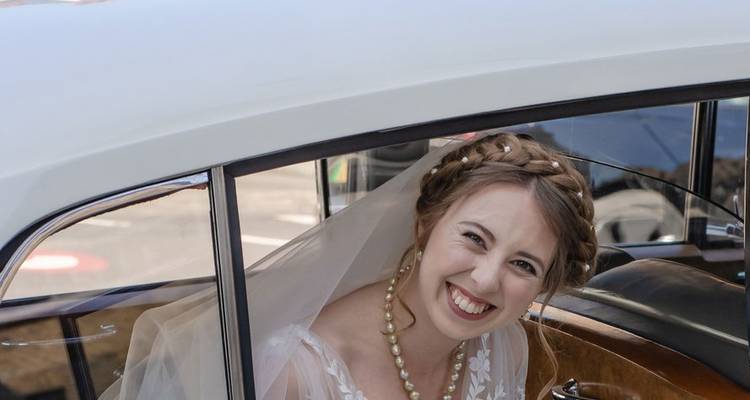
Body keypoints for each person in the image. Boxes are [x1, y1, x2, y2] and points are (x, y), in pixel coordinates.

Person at [105, 132, 597, 400]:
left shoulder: (503, 344)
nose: (487, 279)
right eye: (473, 238)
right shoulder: (294, 374)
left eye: (523, 265)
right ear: (426, 226)